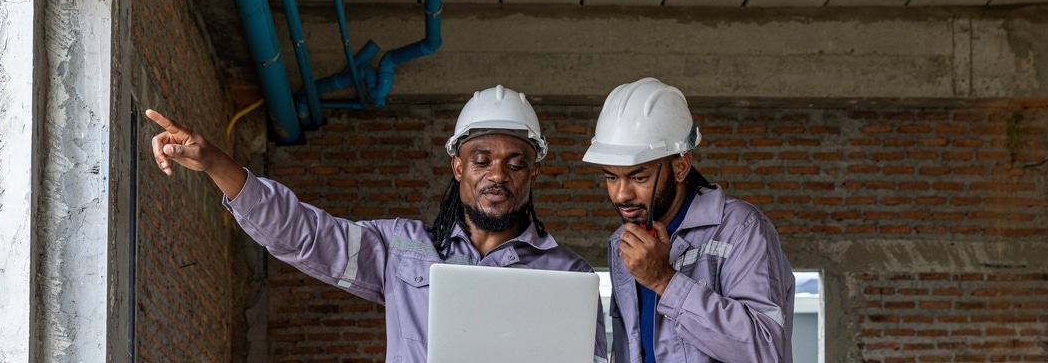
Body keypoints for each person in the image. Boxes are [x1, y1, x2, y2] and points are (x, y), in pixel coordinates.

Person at [147, 85, 607, 363]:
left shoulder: (568, 276)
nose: (497, 176)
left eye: (515, 163)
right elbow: (304, 235)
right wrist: (214, 164)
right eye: (481, 160)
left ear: (534, 172)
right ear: (457, 167)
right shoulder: (401, 248)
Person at [581, 78, 794, 363]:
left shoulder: (740, 229)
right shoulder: (625, 241)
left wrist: (665, 281)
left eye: (639, 177)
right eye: (611, 177)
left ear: (680, 168)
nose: (621, 194)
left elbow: (767, 350)